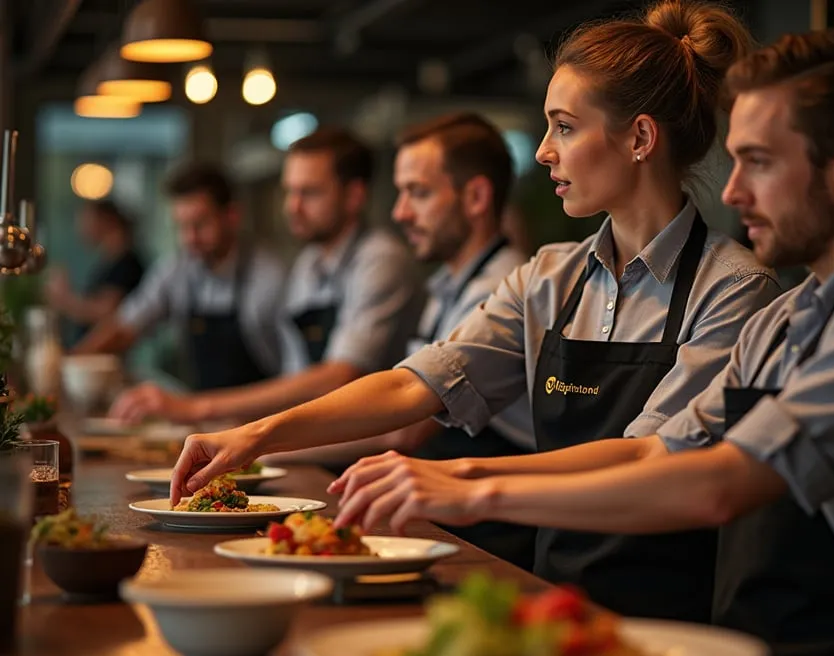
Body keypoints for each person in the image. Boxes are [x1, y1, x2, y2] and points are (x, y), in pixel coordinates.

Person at [169, 0, 781, 623]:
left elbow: (650, 457)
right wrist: (254, 435)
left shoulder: (735, 290)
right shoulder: (548, 276)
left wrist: (460, 478)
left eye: (564, 127)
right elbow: (415, 384)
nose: (543, 152)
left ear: (640, 138)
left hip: (669, 621)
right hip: (549, 597)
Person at [326, 30, 834, 656]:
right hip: (722, 640)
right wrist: (458, 481)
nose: (733, 193)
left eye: (758, 161)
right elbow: (661, 450)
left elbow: (717, 484)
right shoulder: (787, 318)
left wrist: (471, 489)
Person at [264, 113, 538, 569]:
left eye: (419, 192)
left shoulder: (500, 287)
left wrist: (263, 447)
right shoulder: (448, 285)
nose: (399, 212)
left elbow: (405, 428)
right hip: (454, 515)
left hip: (497, 537)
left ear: (476, 197)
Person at [110, 127, 425, 425]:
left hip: (378, 451)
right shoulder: (308, 264)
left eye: (309, 193)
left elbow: (339, 375)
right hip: (325, 441)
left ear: (355, 196)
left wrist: (196, 408)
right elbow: (295, 377)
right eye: (289, 192)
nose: (292, 207)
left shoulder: (380, 259)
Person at [73, 163, 284, 390]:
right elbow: (125, 326)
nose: (189, 238)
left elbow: (293, 375)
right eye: (182, 226)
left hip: (265, 417)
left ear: (232, 216)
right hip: (203, 413)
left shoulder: (269, 277)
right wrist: (72, 362)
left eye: (200, 224)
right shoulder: (178, 270)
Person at [45, 200, 144, 344]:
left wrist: (64, 299)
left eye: (86, 220)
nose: (80, 228)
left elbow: (108, 313)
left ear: (106, 221)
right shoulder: (109, 261)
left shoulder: (127, 264)